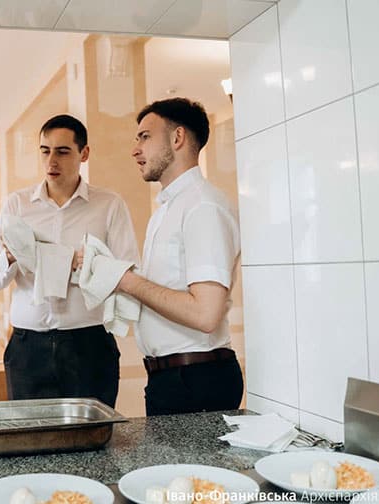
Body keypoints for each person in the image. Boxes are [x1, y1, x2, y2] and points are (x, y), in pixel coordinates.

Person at [0, 114, 139, 408]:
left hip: (89, 345)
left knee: (93, 444)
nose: (51, 161)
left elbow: (127, 273)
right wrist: (10, 255)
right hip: (27, 349)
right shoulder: (16, 205)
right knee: (30, 445)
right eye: (45, 151)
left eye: (62, 151)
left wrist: (83, 263)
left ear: (84, 153)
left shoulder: (109, 205)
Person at [115, 97, 243, 416]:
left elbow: (205, 313)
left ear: (177, 138)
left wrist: (128, 282)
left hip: (197, 381)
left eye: (145, 137)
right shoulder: (167, 210)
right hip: (170, 379)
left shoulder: (203, 206)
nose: (135, 149)